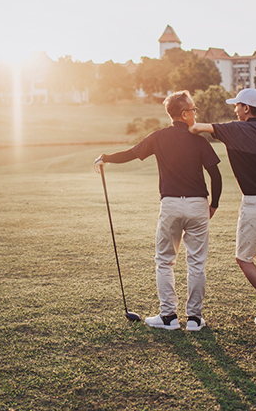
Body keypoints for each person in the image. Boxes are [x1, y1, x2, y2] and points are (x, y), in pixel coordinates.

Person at [94, 90, 222, 332]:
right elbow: (215, 174)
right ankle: (194, 319)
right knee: (196, 263)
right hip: (197, 205)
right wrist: (213, 204)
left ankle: (169, 317)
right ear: (184, 114)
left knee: (165, 261)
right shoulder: (199, 140)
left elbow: (131, 154)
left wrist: (106, 158)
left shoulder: (158, 137)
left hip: (171, 205)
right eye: (193, 110)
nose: (195, 113)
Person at [189, 88, 256, 330]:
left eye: (237, 106)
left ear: (247, 108)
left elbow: (197, 129)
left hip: (254, 204)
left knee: (243, 259)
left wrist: (187, 123)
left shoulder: (234, 130)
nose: (235, 110)